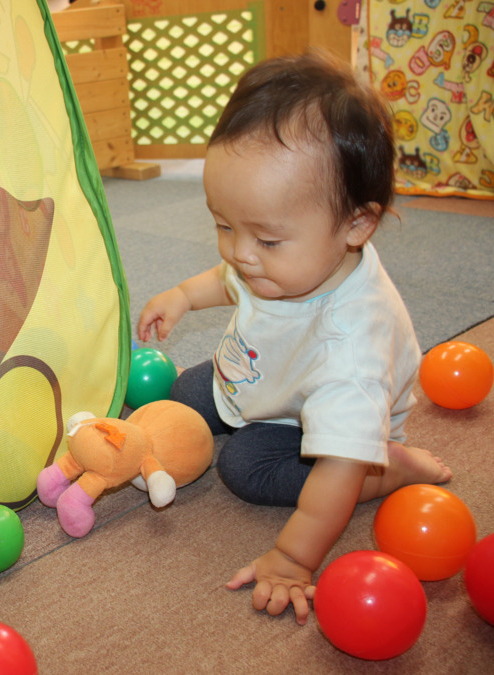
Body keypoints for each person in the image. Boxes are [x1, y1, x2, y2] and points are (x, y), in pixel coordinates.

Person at [136, 51, 451, 625]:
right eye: (223, 225)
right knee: (184, 395)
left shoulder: (351, 350)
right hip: (265, 374)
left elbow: (334, 472)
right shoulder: (282, 259)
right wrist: (182, 295)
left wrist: (292, 558)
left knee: (245, 468)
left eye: (266, 239)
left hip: (325, 427)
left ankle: (390, 467)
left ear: (356, 224)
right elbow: (230, 280)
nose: (240, 252)